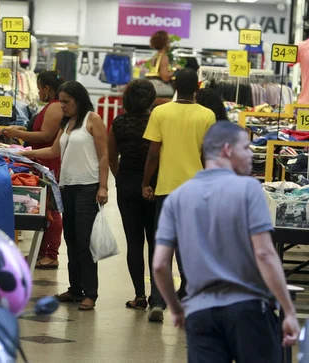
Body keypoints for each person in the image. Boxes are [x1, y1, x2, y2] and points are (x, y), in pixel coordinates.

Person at [152, 122, 300, 362]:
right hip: (248, 311)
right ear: (227, 150)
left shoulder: (177, 197)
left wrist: (176, 308)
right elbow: (264, 254)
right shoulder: (249, 189)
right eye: (246, 147)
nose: (251, 154)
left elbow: (159, 264)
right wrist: (289, 311)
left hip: (200, 313)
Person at [20, 81, 109, 311]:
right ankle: (75, 289)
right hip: (67, 187)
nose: (62, 105)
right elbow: (54, 151)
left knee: (84, 242)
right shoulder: (67, 123)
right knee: (71, 239)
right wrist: (23, 153)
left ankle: (91, 293)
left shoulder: (93, 120)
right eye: (60, 101)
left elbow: (103, 155)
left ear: (79, 100)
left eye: (66, 101)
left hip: (87, 187)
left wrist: (103, 186)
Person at [142, 68, 216, 322]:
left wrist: (145, 182)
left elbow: (153, 153)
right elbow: (208, 155)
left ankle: (158, 303)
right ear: (197, 87)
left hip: (166, 191)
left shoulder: (160, 112)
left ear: (174, 86)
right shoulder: (207, 115)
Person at [4, 71, 65, 269]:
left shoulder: (55, 108)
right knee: (46, 208)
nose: (38, 92)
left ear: (47, 89)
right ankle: (40, 253)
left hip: (50, 162)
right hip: (43, 160)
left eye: (39, 88)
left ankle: (51, 254)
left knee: (53, 209)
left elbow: (45, 135)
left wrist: (18, 133)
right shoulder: (51, 107)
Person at [108, 79, 157, 311]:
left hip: (127, 184)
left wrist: (120, 178)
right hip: (155, 186)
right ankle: (157, 297)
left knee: (134, 242)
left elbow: (111, 156)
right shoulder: (158, 121)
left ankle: (139, 296)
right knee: (156, 243)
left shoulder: (119, 122)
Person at [146, 30, 177, 105]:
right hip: (163, 95)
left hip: (154, 93)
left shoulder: (155, 57)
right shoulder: (163, 57)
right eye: (169, 41)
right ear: (165, 43)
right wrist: (176, 69)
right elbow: (165, 77)